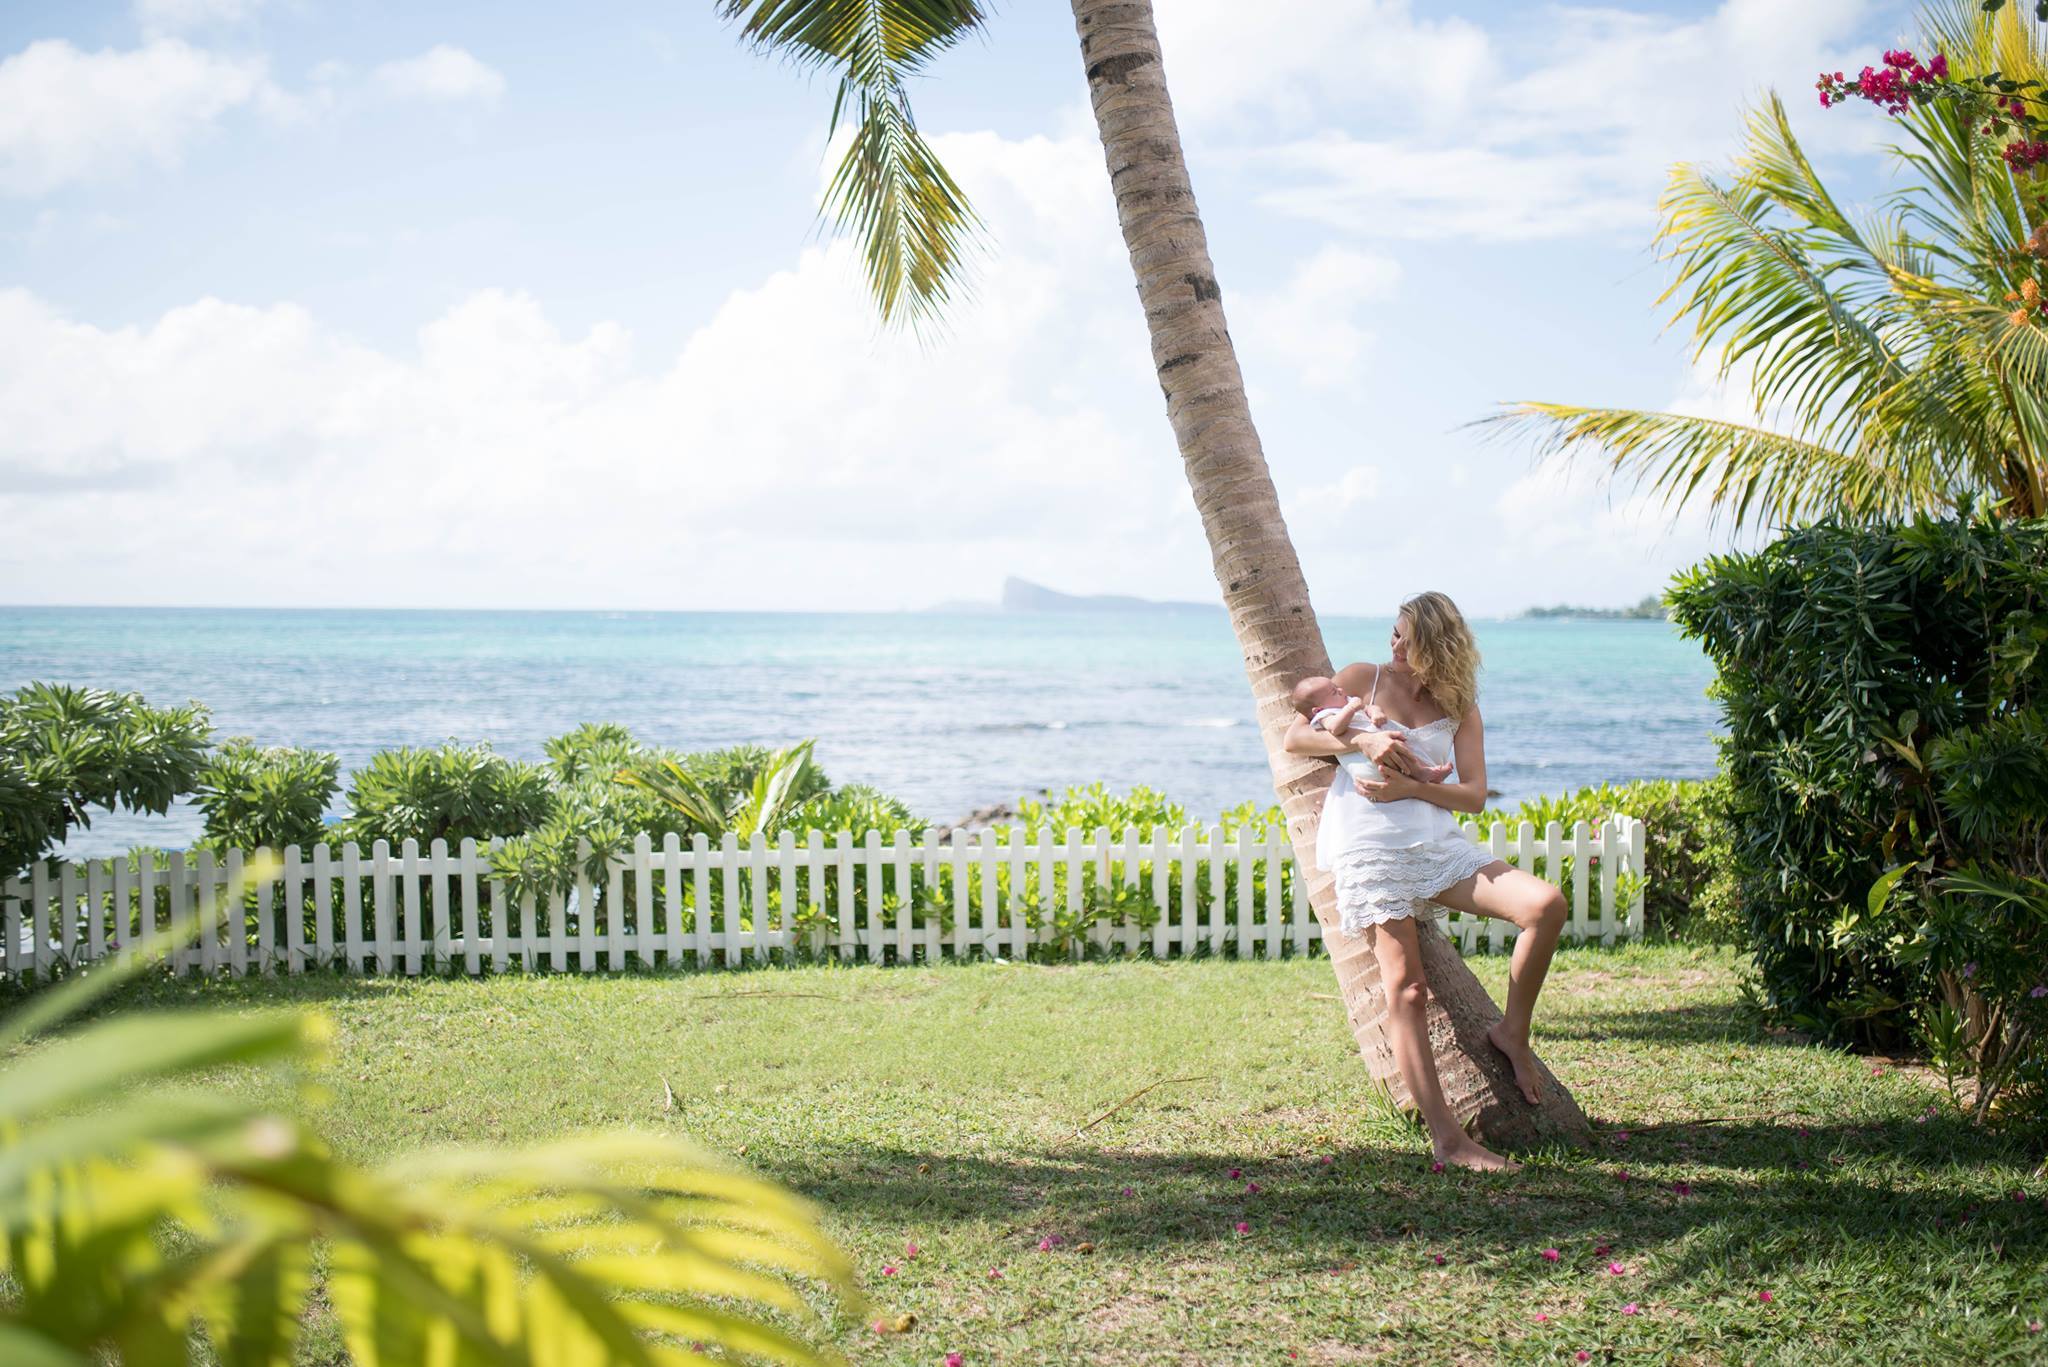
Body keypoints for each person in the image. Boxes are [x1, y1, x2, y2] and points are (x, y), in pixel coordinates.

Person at [1283, 591, 1566, 1173]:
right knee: (1406, 989)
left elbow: (1474, 796)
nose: (1393, 645)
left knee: (1546, 905)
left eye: (1404, 637)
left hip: (1438, 848)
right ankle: (1448, 1139)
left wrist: (1414, 788)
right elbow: (1296, 738)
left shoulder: (1459, 705)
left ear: (1435, 645)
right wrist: (1361, 739)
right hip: (1369, 850)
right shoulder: (1364, 677)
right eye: (1392, 632)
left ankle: (1513, 1032)